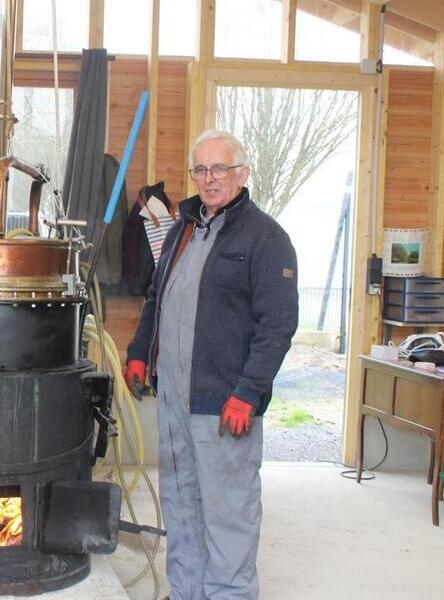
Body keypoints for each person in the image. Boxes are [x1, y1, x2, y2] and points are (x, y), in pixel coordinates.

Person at [125, 129, 298, 600]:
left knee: (228, 515)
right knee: (181, 508)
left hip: (224, 404)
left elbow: (278, 325)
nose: (209, 178)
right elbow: (157, 296)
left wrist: (248, 391)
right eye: (200, 169)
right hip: (174, 399)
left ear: (242, 173)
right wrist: (140, 350)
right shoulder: (183, 227)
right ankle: (185, 593)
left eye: (220, 168)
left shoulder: (266, 238)